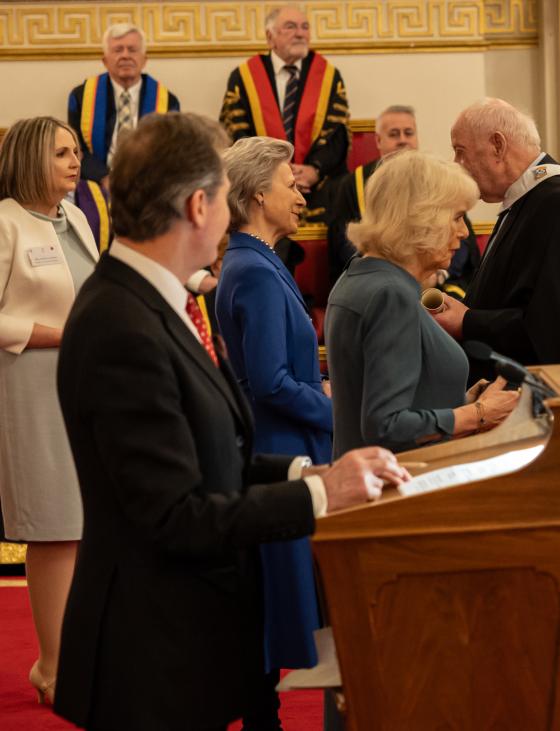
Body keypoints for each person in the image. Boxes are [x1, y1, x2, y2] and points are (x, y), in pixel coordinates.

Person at [53, 112, 407, 730]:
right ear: (198, 205)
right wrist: (320, 493)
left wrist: (308, 469)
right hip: (153, 653)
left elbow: (214, 448)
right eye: (223, 194)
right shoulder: (119, 325)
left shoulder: (157, 301)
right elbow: (174, 515)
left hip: (191, 635)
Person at [216, 136, 333, 727]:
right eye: (290, 184)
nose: (300, 191)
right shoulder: (254, 270)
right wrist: (337, 411)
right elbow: (270, 382)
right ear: (259, 195)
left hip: (286, 439)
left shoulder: (257, 260)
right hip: (278, 448)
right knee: (270, 602)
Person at [326, 150, 519, 456]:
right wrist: (477, 414)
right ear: (420, 217)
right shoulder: (390, 294)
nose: (465, 232)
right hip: (403, 488)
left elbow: (389, 397)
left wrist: (463, 400)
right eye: (457, 217)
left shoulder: (360, 274)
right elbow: (386, 426)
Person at [0, 116, 99, 706]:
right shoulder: (6, 221)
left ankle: (75, 654)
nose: (75, 161)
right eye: (62, 152)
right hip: (30, 385)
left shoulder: (77, 217)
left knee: (85, 525)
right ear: (31, 159)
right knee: (55, 526)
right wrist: (54, 335)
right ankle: (54, 667)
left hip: (81, 385)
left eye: (77, 151)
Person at [435, 98, 560, 382]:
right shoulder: (531, 199)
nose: (456, 164)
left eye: (460, 152)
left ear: (497, 146)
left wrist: (469, 322)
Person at [327, 105, 480, 298]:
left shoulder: (439, 179)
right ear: (378, 140)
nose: (402, 140)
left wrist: (437, 274)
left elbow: (461, 241)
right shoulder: (353, 184)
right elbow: (344, 243)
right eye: (394, 134)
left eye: (408, 133)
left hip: (440, 283)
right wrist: (402, 273)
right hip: (384, 284)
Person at [219, 5, 350, 224]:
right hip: (261, 183)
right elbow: (236, 135)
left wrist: (314, 169)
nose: (300, 33)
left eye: (305, 27)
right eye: (290, 27)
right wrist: (273, 172)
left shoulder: (328, 76)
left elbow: (338, 136)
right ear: (270, 37)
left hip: (317, 184)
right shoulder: (244, 77)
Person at [68, 23, 181, 187]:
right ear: (105, 60)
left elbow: (171, 151)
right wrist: (104, 178)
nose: (125, 55)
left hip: (150, 185)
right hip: (96, 183)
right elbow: (77, 150)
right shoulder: (81, 97)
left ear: (144, 60)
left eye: (132, 49)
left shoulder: (168, 101)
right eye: (118, 50)